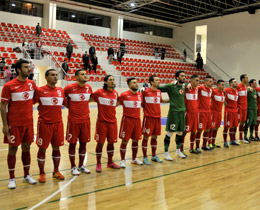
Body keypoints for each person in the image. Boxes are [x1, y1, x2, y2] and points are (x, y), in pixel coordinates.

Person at [1, 59, 37, 189]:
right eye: (26, 67)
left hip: (28, 123)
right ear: (18, 70)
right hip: (14, 124)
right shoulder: (9, 86)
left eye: (29, 67)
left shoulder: (32, 84)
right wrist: (5, 125)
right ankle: (11, 178)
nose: (29, 69)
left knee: (26, 148)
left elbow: (35, 99)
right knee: (13, 149)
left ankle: (26, 175)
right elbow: (3, 105)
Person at [34, 69, 67, 183]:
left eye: (56, 75)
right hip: (44, 124)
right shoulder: (39, 90)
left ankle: (56, 171)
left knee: (56, 148)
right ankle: (42, 173)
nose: (55, 77)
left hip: (58, 124)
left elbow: (66, 104)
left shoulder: (60, 91)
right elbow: (32, 103)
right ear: (46, 77)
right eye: (52, 75)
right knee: (42, 148)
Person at [64, 69, 92, 175]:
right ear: (76, 77)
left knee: (84, 144)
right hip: (73, 121)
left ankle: (81, 165)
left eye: (85, 74)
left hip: (85, 120)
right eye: (82, 74)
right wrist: (69, 107)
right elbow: (62, 98)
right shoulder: (69, 88)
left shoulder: (89, 87)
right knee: (72, 144)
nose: (85, 76)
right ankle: (73, 167)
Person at [91, 75, 120, 172]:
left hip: (113, 122)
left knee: (111, 143)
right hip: (102, 123)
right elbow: (89, 98)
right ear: (105, 82)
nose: (112, 81)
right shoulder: (99, 92)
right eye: (110, 80)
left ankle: (110, 162)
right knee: (100, 143)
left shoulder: (115, 93)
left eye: (113, 79)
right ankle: (98, 163)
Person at [158, 70, 187, 160]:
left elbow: (191, 85)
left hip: (182, 113)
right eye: (182, 76)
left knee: (180, 132)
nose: (184, 77)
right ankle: (166, 153)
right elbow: (158, 88)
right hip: (173, 113)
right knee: (170, 132)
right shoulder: (170, 86)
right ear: (177, 77)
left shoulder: (184, 85)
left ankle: (178, 151)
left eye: (184, 76)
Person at [142, 75, 169, 165]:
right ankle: (145, 157)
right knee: (146, 137)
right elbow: (141, 103)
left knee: (155, 137)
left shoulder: (158, 92)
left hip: (157, 118)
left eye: (159, 80)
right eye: (157, 80)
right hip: (148, 118)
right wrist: (147, 111)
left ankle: (154, 155)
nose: (159, 81)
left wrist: (171, 99)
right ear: (151, 82)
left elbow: (160, 101)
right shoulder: (145, 92)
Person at [118, 78, 143, 167]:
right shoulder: (124, 95)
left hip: (137, 120)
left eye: (137, 82)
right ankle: (122, 160)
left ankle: (134, 159)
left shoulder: (140, 95)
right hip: (127, 120)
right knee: (125, 141)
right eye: (134, 82)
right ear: (129, 85)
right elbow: (116, 103)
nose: (136, 84)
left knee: (136, 140)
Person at [195, 75, 213, 152]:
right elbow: (193, 87)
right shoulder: (200, 88)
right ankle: (197, 147)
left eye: (212, 81)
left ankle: (204, 145)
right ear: (205, 82)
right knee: (199, 130)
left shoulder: (211, 90)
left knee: (208, 129)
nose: (211, 82)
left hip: (208, 112)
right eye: (210, 81)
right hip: (201, 112)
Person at [182, 75, 199, 154]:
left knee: (193, 131)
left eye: (198, 80)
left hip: (195, 114)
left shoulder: (197, 89)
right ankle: (180, 149)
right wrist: (186, 84)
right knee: (184, 132)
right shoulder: (186, 88)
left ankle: (191, 148)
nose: (198, 82)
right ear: (191, 81)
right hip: (188, 114)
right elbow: (176, 83)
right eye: (196, 80)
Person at [223, 78, 239, 148]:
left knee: (234, 126)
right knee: (227, 127)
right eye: (235, 82)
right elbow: (219, 92)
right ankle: (225, 141)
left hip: (235, 111)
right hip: (228, 111)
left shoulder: (237, 91)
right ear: (231, 84)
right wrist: (224, 101)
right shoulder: (226, 90)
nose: (236, 83)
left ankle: (232, 140)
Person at [209, 80, 225, 149]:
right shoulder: (214, 91)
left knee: (216, 128)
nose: (223, 86)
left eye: (223, 85)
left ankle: (213, 142)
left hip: (219, 112)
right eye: (222, 84)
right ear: (218, 85)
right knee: (211, 128)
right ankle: (209, 143)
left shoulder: (223, 93)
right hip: (213, 112)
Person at [237, 74, 249, 143]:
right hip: (240, 107)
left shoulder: (245, 86)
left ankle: (241, 137)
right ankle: (233, 139)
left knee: (243, 122)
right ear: (242, 79)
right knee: (237, 122)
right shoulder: (238, 86)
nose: (247, 79)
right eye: (246, 78)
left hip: (245, 107)